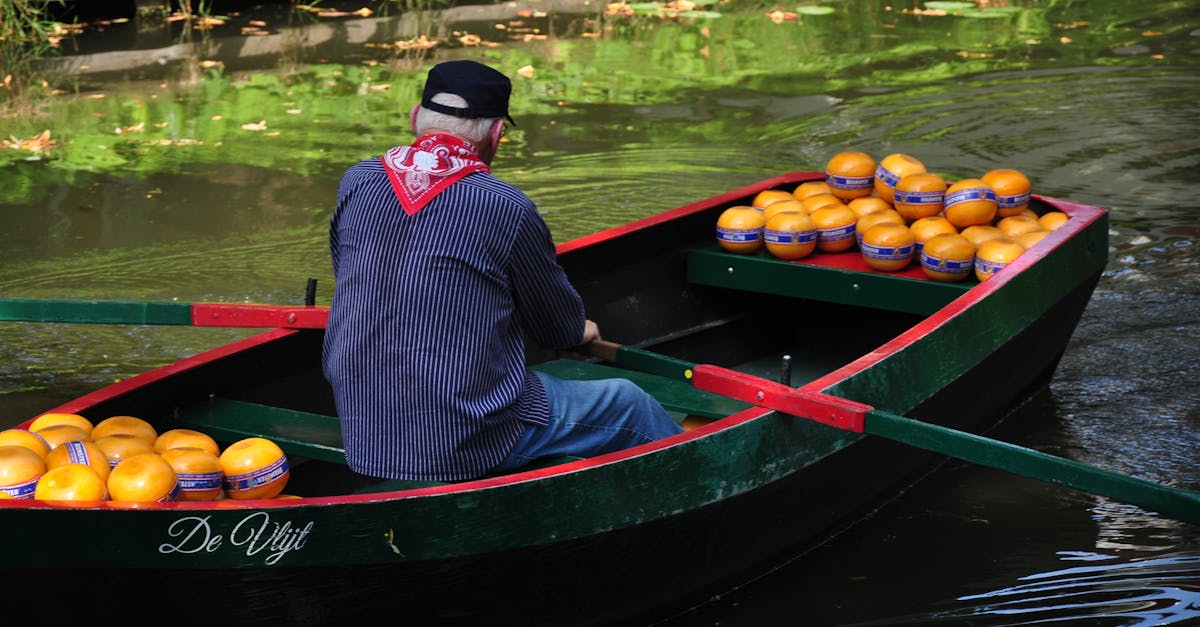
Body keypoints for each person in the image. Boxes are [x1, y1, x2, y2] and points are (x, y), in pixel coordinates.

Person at [322, 59, 683, 482]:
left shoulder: (358, 181)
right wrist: (577, 330)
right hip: (465, 439)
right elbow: (556, 330)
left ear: (415, 118)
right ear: (497, 135)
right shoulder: (506, 206)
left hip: (363, 426)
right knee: (627, 402)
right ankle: (706, 492)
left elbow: (348, 274)